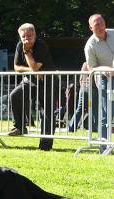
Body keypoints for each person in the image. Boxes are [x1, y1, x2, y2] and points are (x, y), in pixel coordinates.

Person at [9, 23, 57, 151]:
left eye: (29, 35)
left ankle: (45, 145)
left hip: (48, 81)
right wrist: (31, 71)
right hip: (30, 80)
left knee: (46, 112)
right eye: (23, 36)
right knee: (15, 95)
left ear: (35, 34)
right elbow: (16, 68)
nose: (27, 39)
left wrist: (27, 52)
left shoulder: (41, 45)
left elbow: (36, 67)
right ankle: (19, 126)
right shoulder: (20, 45)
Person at [84, 14, 114, 151]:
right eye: (97, 25)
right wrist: (108, 69)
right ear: (91, 28)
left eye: (102, 23)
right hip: (105, 79)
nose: (101, 27)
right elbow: (91, 68)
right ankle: (104, 146)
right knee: (106, 113)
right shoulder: (90, 45)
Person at [68, 62, 98, 132]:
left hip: (83, 89)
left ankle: (71, 127)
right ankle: (94, 127)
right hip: (93, 88)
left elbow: (81, 78)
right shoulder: (96, 64)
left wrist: (83, 87)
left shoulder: (85, 64)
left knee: (80, 109)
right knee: (95, 109)